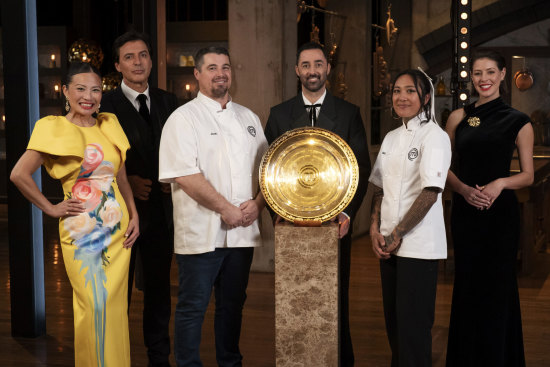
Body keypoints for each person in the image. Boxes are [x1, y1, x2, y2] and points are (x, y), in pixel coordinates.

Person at [10, 61, 139, 367]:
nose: (89, 96)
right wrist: (51, 208)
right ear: (66, 91)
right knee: (93, 305)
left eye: (95, 90)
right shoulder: (52, 128)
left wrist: (134, 215)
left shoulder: (109, 124)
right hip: (82, 232)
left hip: (118, 230)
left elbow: (121, 178)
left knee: (114, 306)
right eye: (80, 89)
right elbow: (19, 174)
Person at [158, 46, 268, 367]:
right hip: (201, 233)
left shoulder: (249, 118)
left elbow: (266, 171)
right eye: (212, 68)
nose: (220, 73)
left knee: (233, 306)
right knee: (193, 307)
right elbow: (185, 175)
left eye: (226, 67)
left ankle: (230, 362)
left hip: (243, 231)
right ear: (197, 74)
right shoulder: (183, 119)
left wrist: (258, 205)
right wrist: (226, 208)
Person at [264, 41, 370, 366]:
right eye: (306, 65)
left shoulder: (349, 113)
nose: (313, 71)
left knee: (334, 299)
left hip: (334, 225)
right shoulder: (279, 114)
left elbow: (360, 168)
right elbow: (269, 168)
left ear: (328, 68)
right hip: (292, 226)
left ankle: (339, 360)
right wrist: (277, 215)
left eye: (319, 64)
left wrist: (348, 214)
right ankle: (298, 359)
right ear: (297, 70)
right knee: (296, 299)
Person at [445, 50, 533, 367]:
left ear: (503, 75)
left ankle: (499, 358)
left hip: (500, 216)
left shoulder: (519, 121)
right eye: (478, 73)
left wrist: (499, 184)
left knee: (498, 287)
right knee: (467, 285)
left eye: (490, 72)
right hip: (466, 213)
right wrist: (465, 190)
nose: (483, 79)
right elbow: (441, 168)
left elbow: (527, 175)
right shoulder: (458, 117)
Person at [101, 30, 178, 367]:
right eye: (129, 57)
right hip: (118, 216)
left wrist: (172, 178)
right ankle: (114, 356)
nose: (137, 62)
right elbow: (93, 158)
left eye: (143, 55)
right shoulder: (103, 105)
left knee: (160, 291)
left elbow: (181, 150)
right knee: (117, 290)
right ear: (117, 64)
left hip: (162, 214)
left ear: (151, 60)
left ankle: (158, 357)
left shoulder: (169, 102)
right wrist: (126, 181)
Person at [369, 69, 451, 367]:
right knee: (394, 325)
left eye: (410, 91)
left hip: (417, 245)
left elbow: (430, 192)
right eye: (396, 91)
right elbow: (378, 187)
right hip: (388, 243)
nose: (401, 97)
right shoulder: (391, 137)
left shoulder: (435, 136)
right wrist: (374, 227)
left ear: (425, 97)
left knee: (413, 329)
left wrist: (397, 234)